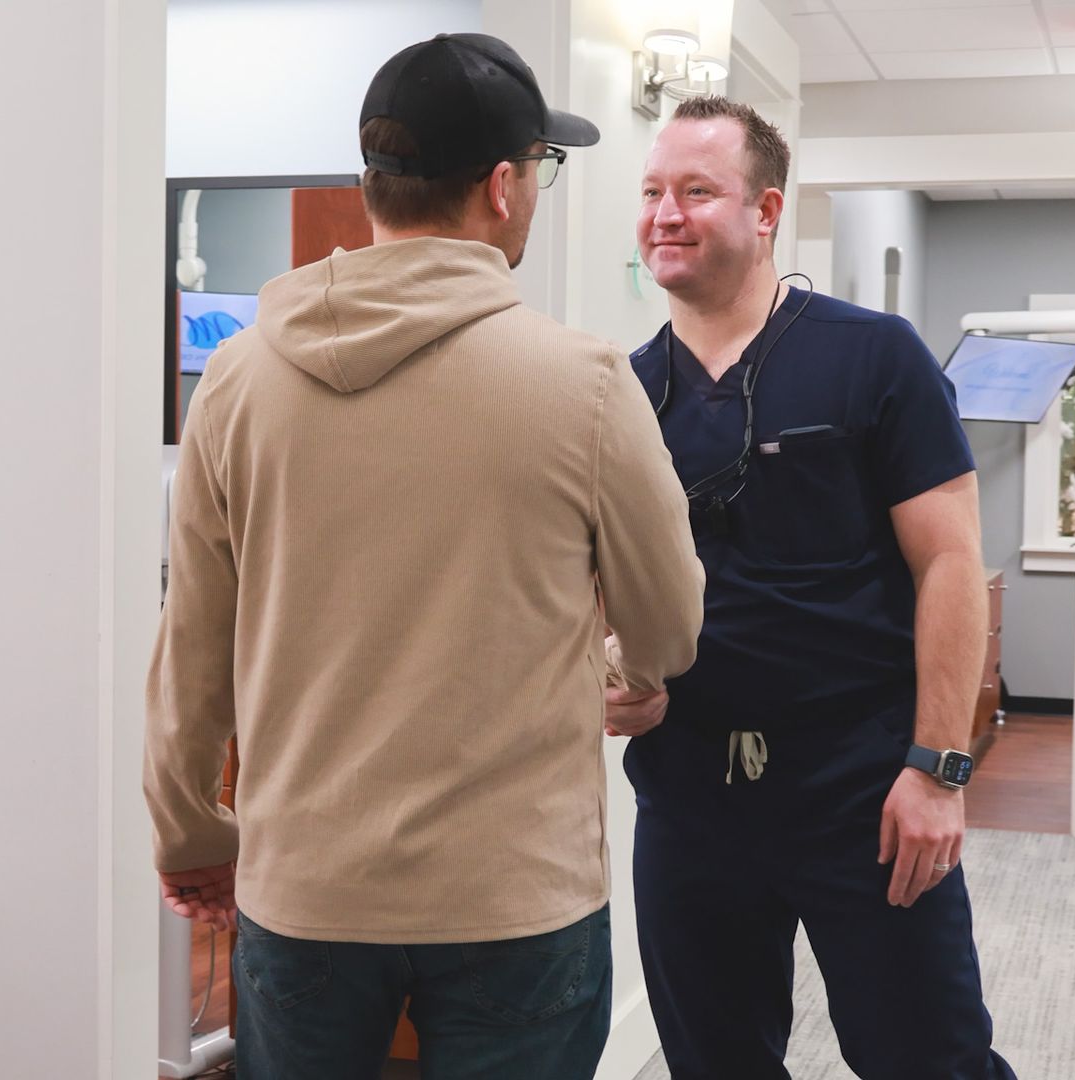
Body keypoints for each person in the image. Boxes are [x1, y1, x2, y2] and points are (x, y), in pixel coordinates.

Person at [143, 33, 705, 1080]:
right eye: (541, 166)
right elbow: (669, 624)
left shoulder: (234, 381)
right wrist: (628, 674)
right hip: (515, 896)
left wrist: (191, 833)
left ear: (375, 184)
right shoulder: (582, 385)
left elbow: (191, 651)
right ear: (502, 185)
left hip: (305, 889)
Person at [609, 95, 1018, 1079]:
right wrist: (619, 668)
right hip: (691, 793)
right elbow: (599, 584)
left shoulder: (872, 357)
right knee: (714, 1062)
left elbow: (952, 563)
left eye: (697, 191)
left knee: (931, 1058)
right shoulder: (621, 393)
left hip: (865, 787)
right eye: (654, 192)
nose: (666, 213)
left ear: (765, 213)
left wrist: (939, 768)